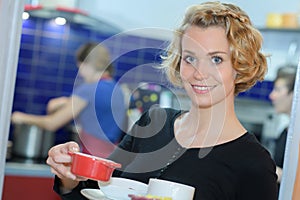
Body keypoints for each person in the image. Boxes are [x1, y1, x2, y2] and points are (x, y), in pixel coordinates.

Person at [46, 2, 278, 199]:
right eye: (190, 58)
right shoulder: (154, 122)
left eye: (216, 59)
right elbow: (97, 191)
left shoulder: (253, 163)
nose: (199, 73)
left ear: (239, 67)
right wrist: (70, 178)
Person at [11, 42, 126, 158]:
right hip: (111, 158)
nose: (80, 73)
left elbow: (52, 123)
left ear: (87, 65)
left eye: (80, 67)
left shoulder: (88, 89)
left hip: (91, 158)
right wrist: (65, 102)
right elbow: (96, 107)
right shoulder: (118, 89)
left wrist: (21, 117)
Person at [269, 65, 297, 185]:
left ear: (294, 94)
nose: (272, 96)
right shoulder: (286, 132)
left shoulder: (297, 137)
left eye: (278, 90)